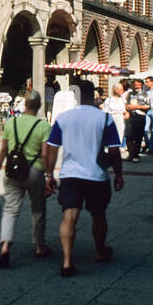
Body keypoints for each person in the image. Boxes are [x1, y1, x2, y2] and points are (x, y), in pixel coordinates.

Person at [43, 79, 123, 275]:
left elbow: (51, 149)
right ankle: (100, 251)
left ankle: (67, 262)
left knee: (69, 216)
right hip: (97, 175)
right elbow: (114, 151)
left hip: (70, 174)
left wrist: (49, 175)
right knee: (98, 215)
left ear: (75, 96)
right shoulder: (105, 118)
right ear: (94, 95)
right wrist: (119, 175)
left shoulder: (63, 118)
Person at [0, 90, 52, 267]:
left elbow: (3, 150)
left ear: (24, 105)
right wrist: (49, 175)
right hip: (35, 172)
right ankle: (40, 245)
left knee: (10, 209)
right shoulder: (43, 126)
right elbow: (46, 154)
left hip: (12, 171)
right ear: (39, 106)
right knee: (38, 209)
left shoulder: (11, 123)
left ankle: (5, 246)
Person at [124, 78, 149, 162]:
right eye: (135, 85)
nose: (136, 86)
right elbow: (125, 103)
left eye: (138, 85)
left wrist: (136, 107)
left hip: (140, 117)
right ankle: (131, 154)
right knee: (129, 136)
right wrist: (126, 108)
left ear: (141, 85)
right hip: (130, 116)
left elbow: (148, 106)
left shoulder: (145, 94)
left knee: (138, 137)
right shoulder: (129, 94)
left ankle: (136, 155)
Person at [101, 83, 128, 153]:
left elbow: (124, 110)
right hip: (111, 118)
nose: (122, 91)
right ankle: (109, 150)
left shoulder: (122, 100)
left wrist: (127, 113)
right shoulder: (109, 99)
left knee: (120, 134)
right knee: (111, 135)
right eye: (121, 89)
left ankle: (117, 149)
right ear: (116, 90)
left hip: (121, 119)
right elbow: (104, 111)